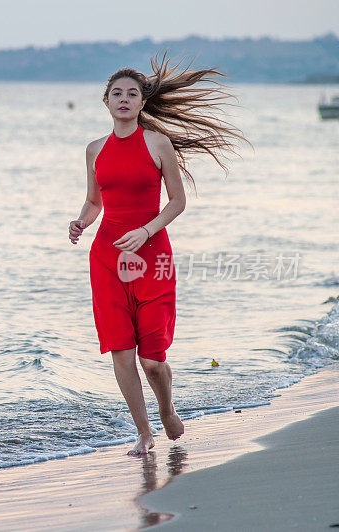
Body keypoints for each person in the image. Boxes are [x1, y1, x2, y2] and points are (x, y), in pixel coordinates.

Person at [68, 51, 250, 456]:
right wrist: (81, 222)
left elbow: (178, 201)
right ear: (106, 102)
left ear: (142, 102)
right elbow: (94, 201)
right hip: (107, 259)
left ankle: (166, 408)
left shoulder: (158, 143)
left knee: (152, 360)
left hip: (153, 258)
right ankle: (144, 432)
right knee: (120, 350)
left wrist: (145, 230)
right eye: (116, 93)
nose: (124, 99)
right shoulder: (94, 149)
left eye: (132, 93)